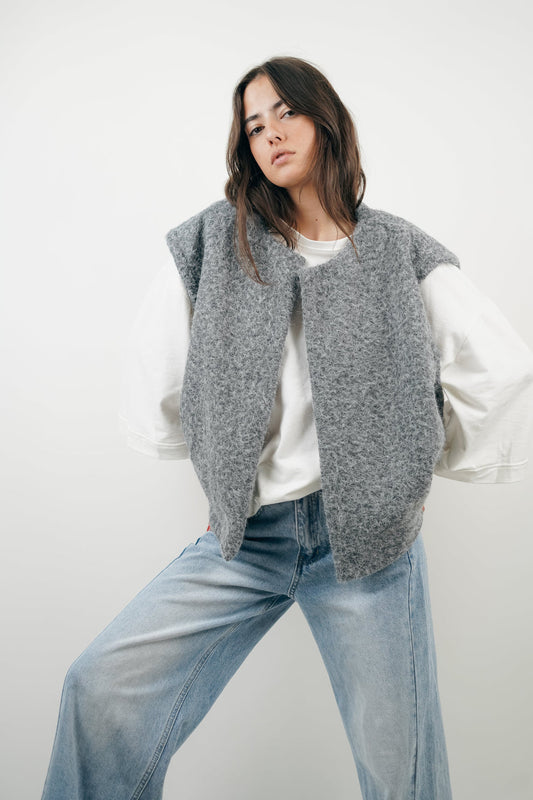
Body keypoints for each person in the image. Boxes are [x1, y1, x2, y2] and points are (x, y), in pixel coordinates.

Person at [41, 56, 533, 800]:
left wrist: (407, 478)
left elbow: (499, 367)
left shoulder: (399, 250)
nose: (270, 133)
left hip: (366, 548)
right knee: (100, 686)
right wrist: (217, 472)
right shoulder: (214, 241)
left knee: (398, 768)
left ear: (325, 118)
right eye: (253, 125)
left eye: (285, 112)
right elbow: (159, 364)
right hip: (245, 539)